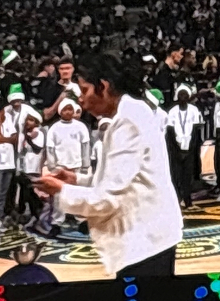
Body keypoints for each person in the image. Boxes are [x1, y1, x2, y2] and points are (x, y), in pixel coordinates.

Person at [32, 51, 183, 277]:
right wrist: (77, 180)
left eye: (84, 90)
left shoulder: (128, 122)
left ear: (103, 86)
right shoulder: (132, 111)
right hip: (149, 236)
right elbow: (123, 179)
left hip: (146, 241)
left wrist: (61, 190)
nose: (80, 100)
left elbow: (107, 199)